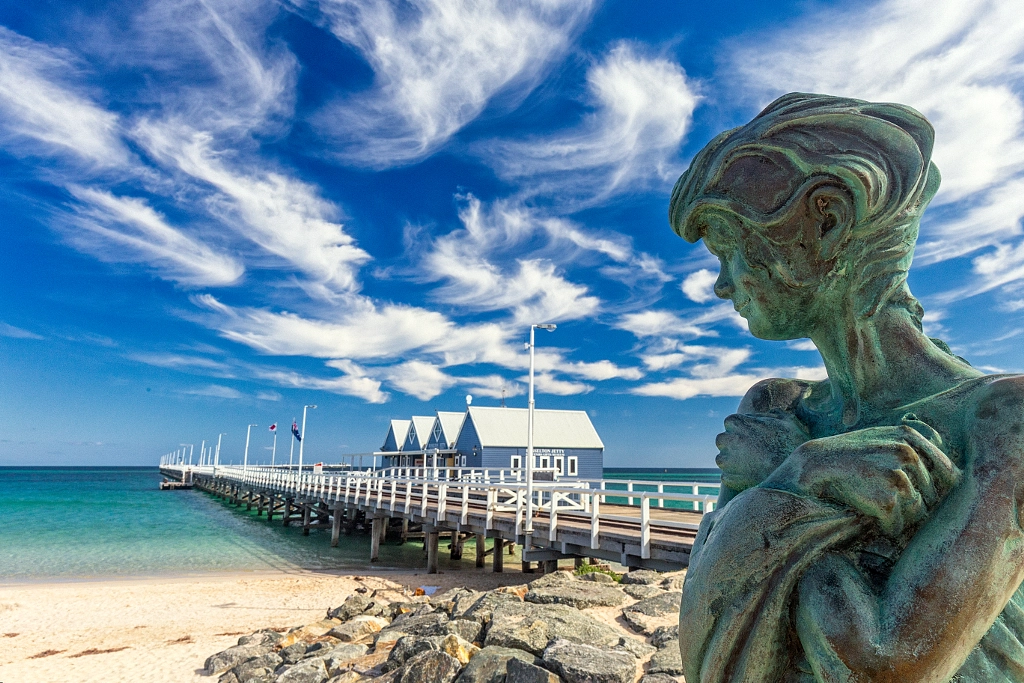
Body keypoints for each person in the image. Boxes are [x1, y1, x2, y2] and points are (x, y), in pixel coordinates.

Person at [669, 93, 1024, 682]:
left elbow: (890, 664)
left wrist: (781, 504)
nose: (721, 285)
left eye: (729, 248)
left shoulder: (1004, 418)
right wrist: (806, 475)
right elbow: (703, 627)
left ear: (827, 219)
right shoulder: (774, 407)